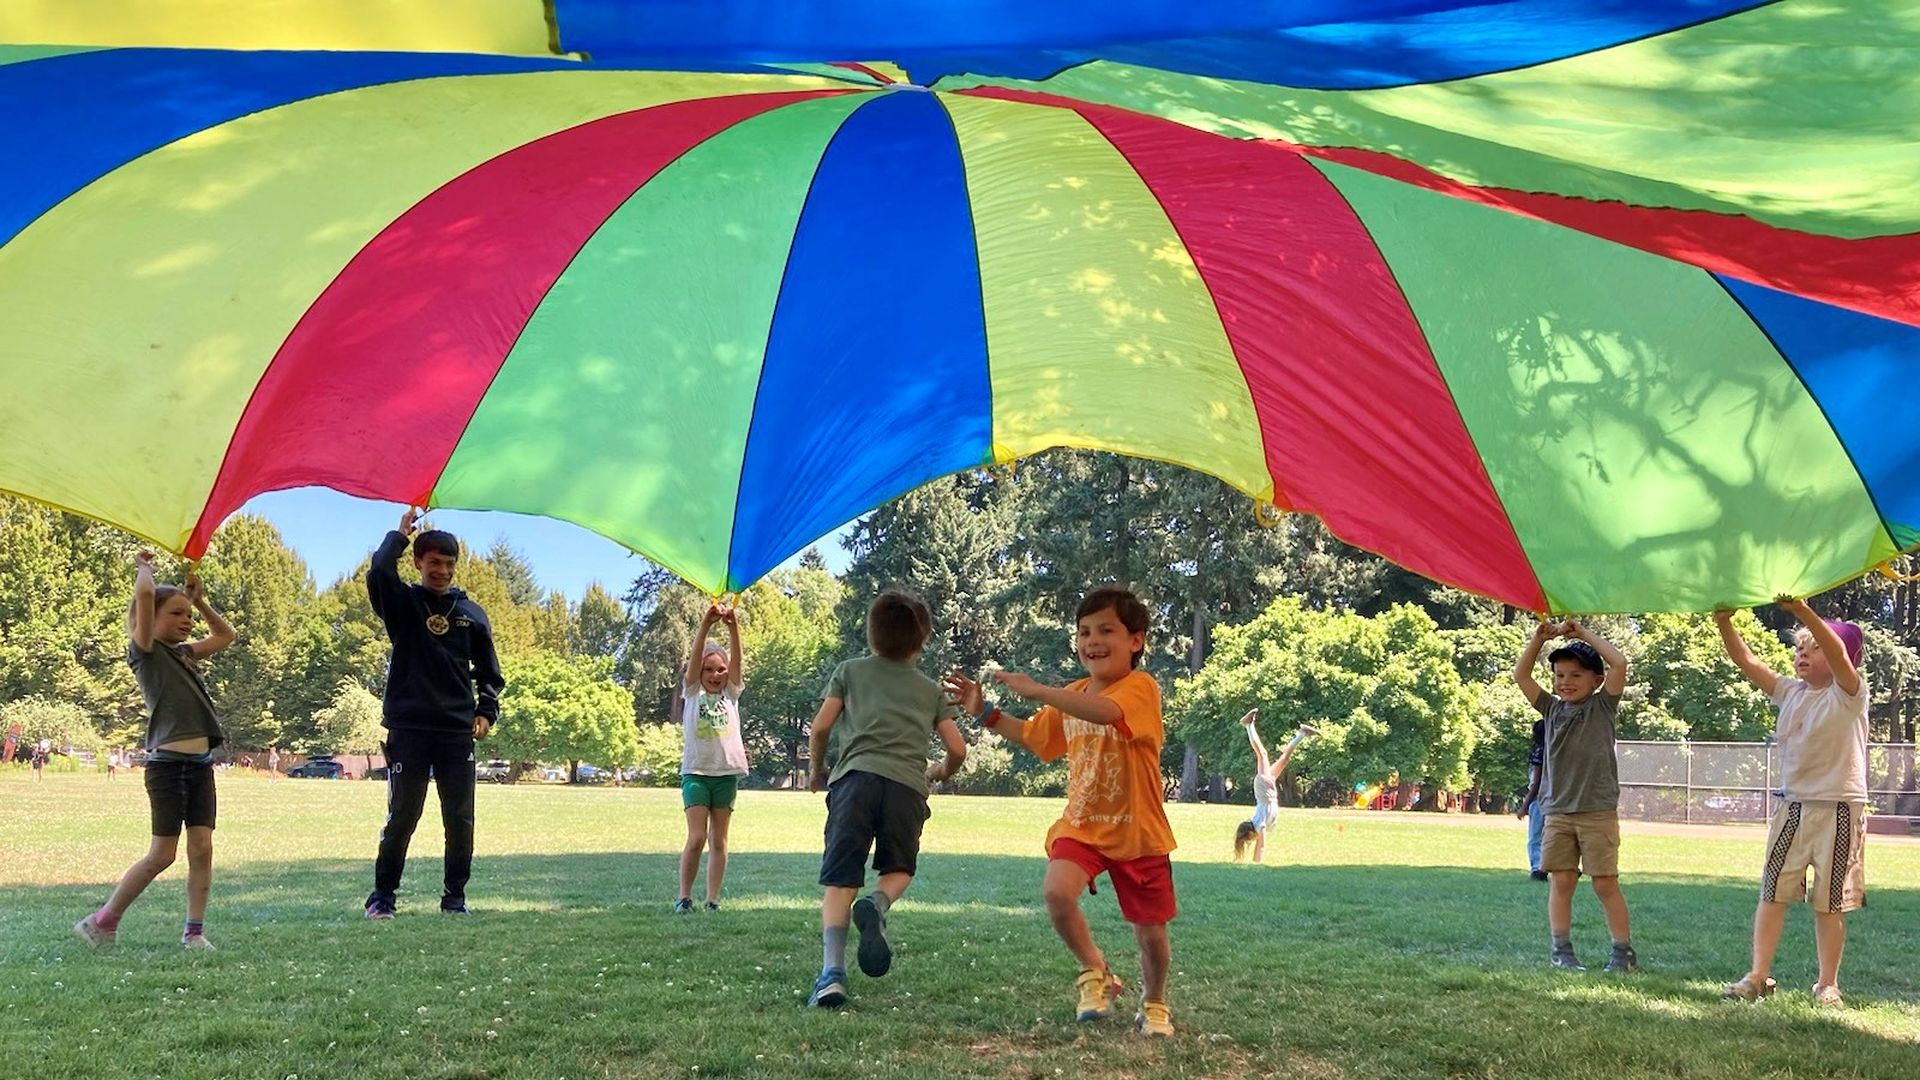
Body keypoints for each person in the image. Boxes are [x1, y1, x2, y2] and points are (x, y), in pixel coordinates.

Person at [945, 586, 1178, 1037]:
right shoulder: (1071, 694)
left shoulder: (1141, 688)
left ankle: (1154, 1003)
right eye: (1085, 631)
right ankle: (1098, 972)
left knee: (1151, 934)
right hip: (1083, 826)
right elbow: (1036, 738)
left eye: (1106, 630)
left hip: (1139, 834)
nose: (1092, 640)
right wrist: (985, 713)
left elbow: (1107, 712)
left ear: (1136, 640)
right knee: (1056, 892)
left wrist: (1040, 690)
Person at [804, 590, 966, 1009]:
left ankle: (831, 976)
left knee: (841, 881)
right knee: (898, 869)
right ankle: (877, 904)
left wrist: (817, 770)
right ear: (922, 641)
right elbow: (958, 750)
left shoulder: (849, 671)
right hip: (907, 788)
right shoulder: (929, 690)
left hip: (854, 781)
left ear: (872, 635)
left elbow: (820, 728)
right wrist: (939, 772)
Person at [74, 551, 236, 949]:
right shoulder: (145, 651)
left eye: (189, 617)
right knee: (162, 855)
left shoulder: (184, 654)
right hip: (166, 768)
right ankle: (102, 921)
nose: (186, 621)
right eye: (177, 613)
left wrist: (199, 600)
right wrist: (144, 568)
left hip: (200, 766)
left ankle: (194, 932)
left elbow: (226, 636)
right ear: (152, 618)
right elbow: (144, 599)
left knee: (202, 848)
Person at [1715, 598, 1869, 1007]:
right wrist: (1724, 623)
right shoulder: (1790, 692)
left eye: (1814, 646)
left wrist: (1803, 612)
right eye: (1800, 646)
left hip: (1840, 808)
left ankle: (1827, 983)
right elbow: (1746, 661)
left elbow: (1837, 654)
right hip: (1793, 807)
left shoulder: (1849, 694)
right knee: (1772, 892)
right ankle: (1758, 976)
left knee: (1829, 901)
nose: (1804, 652)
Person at [364, 509, 504, 919]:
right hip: (408, 728)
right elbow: (378, 574)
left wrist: (486, 711)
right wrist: (398, 534)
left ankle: (454, 899)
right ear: (418, 563)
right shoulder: (403, 604)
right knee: (402, 815)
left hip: (455, 731)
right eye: (433, 563)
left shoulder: (472, 613)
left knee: (459, 819)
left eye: (448, 563)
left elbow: (490, 672)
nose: (441, 571)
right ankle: (383, 897)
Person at [1512, 619, 1635, 973]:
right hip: (1558, 812)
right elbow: (1521, 676)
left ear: (1596, 681)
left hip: (1596, 811)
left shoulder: (1602, 707)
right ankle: (1561, 951)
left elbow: (1620, 663)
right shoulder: (1551, 710)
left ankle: (1622, 952)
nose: (1565, 682)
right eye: (1560, 675)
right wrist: (1538, 639)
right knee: (1562, 881)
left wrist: (1582, 634)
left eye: (1576, 675)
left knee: (1605, 883)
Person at [676, 602, 749, 913]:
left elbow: (737, 663)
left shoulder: (731, 693)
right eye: (709, 669)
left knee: (719, 840)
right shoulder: (692, 691)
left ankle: (713, 900)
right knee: (697, 837)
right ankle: (684, 897)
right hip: (696, 773)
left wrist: (733, 627)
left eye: (721, 668)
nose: (716, 674)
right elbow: (694, 663)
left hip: (725, 774)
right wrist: (705, 625)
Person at [1233, 710, 1318, 862]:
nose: (1253, 840)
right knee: (1284, 759)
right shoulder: (1259, 825)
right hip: (1268, 792)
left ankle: (1248, 725)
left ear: (1250, 834)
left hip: (1265, 791)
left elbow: (1261, 846)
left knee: (1263, 754)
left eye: (1250, 839)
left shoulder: (1259, 826)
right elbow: (1260, 844)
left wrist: (1256, 862)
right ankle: (1302, 734)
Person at [1516, 717, 1548, 880]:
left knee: (1535, 837)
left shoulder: (1540, 753)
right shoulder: (1557, 751)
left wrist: (1524, 805)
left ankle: (1537, 868)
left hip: (1540, 800)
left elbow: (1536, 783)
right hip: (1557, 799)